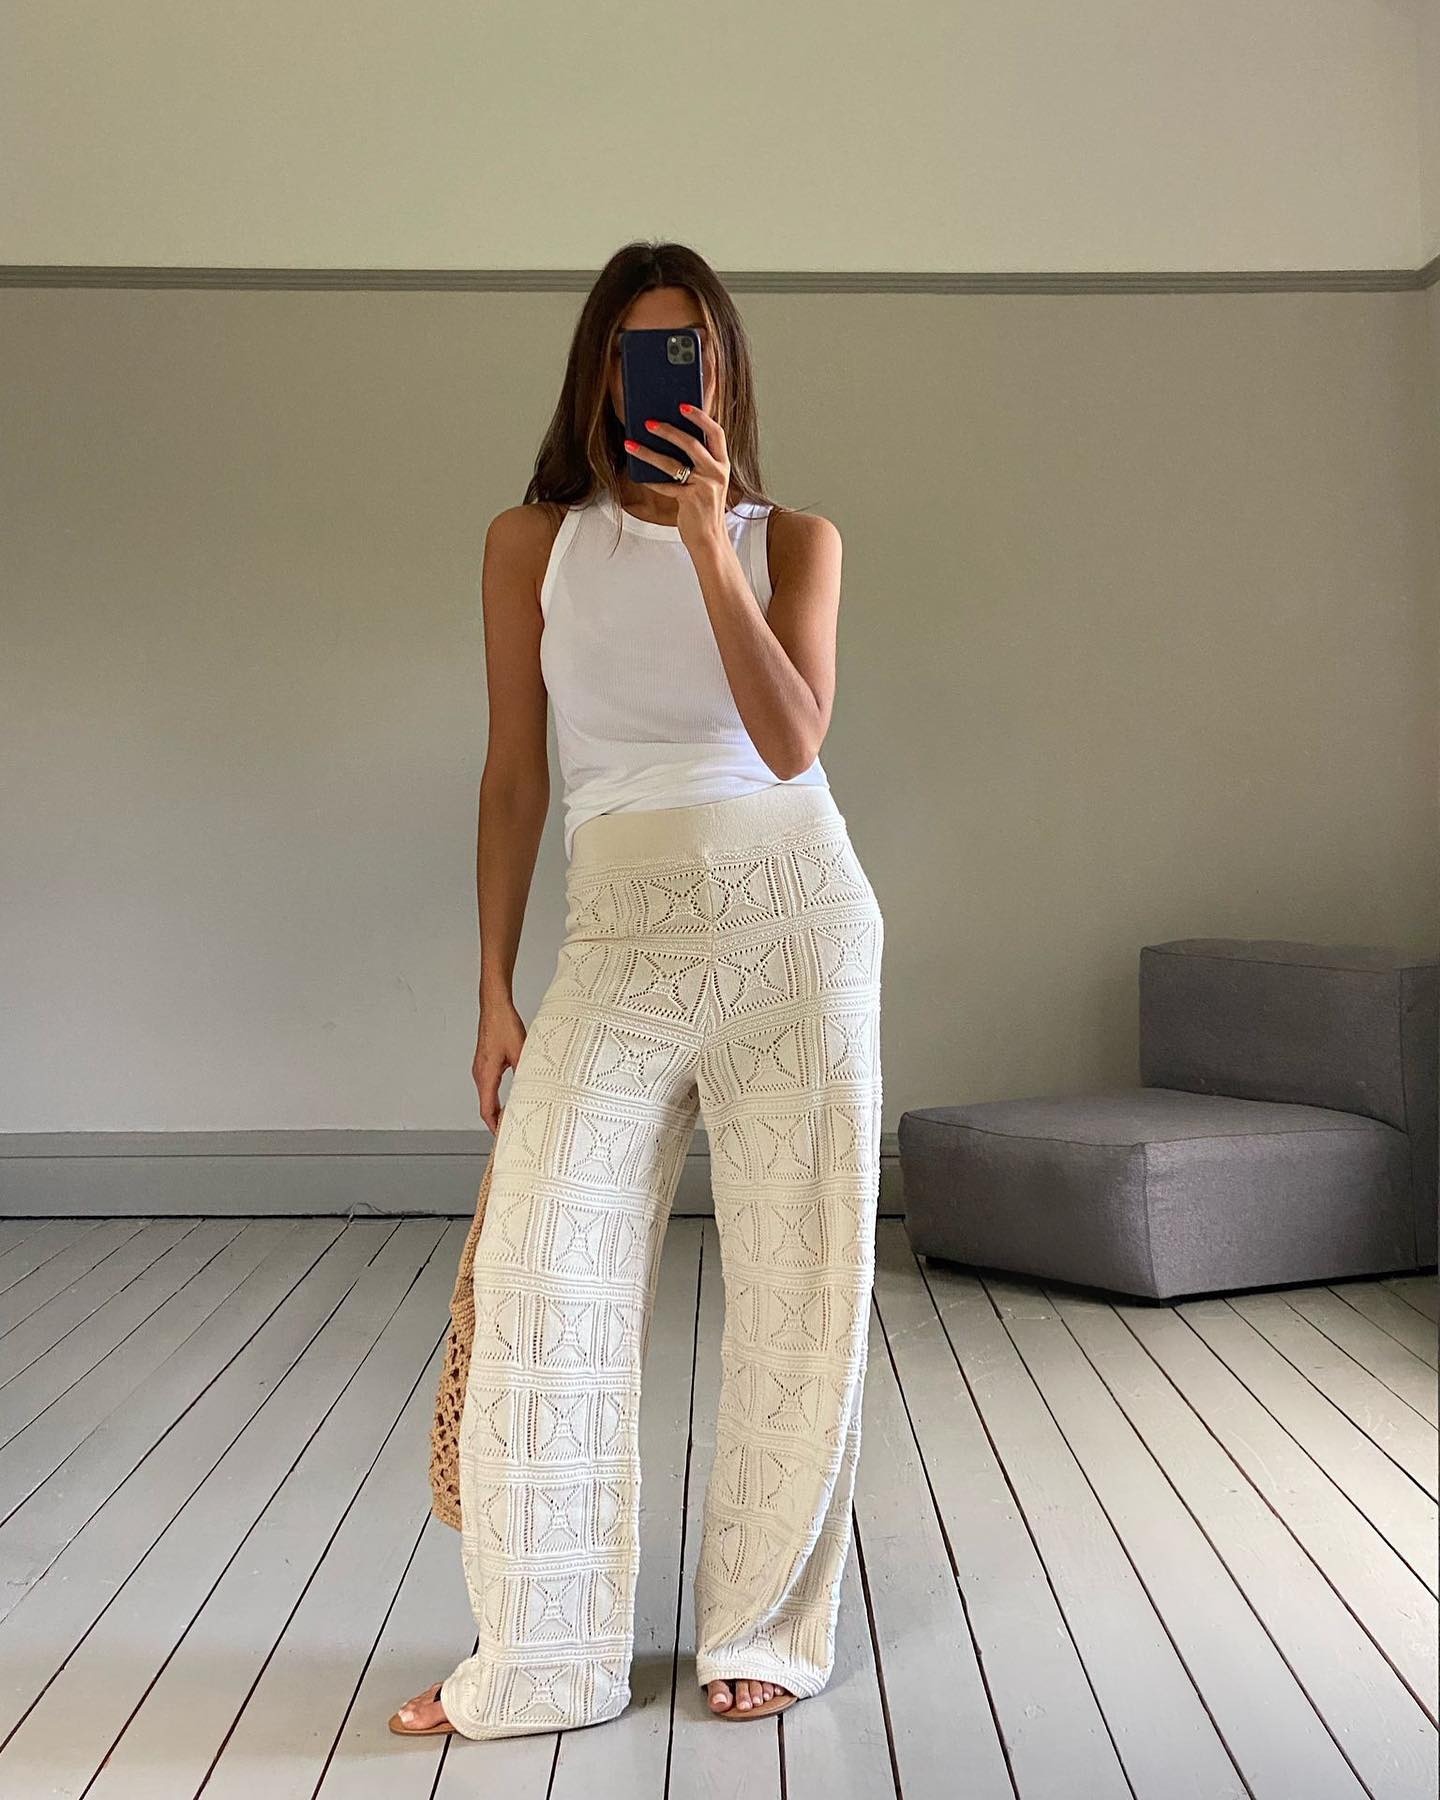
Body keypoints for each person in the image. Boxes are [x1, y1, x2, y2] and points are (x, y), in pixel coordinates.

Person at [390, 239, 884, 1741]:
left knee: (800, 1282)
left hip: (794, 924)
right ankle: (544, 1655)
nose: (659, 374)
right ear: (598, 372)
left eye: (688, 350)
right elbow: (513, 775)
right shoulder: (527, 544)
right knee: (544, 1273)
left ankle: (765, 1629)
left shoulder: (795, 540)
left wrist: (709, 545)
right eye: (632, 349)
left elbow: (792, 739)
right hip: (616, 938)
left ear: (722, 373)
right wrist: (492, 986)